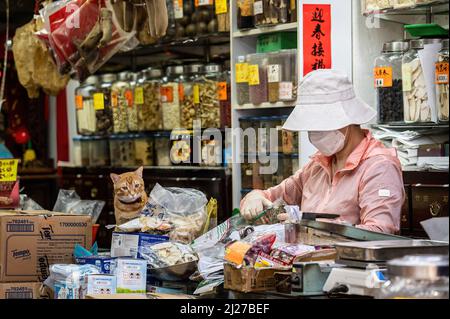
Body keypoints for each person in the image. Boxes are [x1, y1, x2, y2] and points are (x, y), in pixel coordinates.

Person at [240, 69, 405, 234]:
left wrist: (312, 226)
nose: (315, 132)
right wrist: (255, 196)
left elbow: (379, 232)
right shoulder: (317, 166)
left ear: (348, 119)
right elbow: (275, 195)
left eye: (321, 123)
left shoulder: (379, 167)